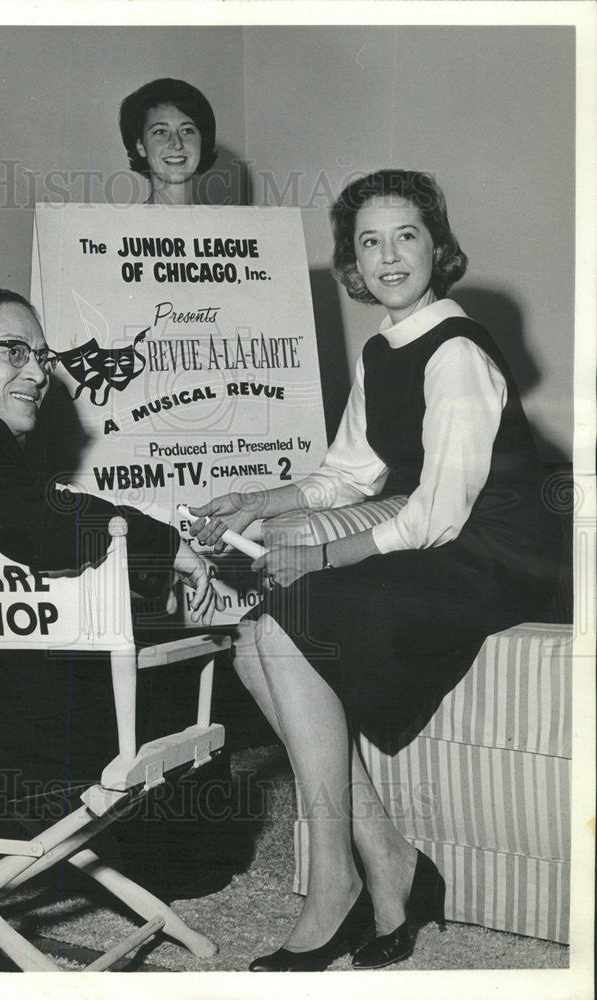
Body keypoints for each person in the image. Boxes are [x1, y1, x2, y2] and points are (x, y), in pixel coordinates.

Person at [189, 170, 561, 971]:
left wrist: (319, 554)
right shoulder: (381, 348)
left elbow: (436, 515)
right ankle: (386, 857)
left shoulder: (456, 350)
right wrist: (257, 499)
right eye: (369, 240)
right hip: (441, 546)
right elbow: (349, 475)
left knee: (297, 616)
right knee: (254, 636)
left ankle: (335, 887)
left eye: (406, 236)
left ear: (438, 245)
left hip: (498, 556)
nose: (389, 256)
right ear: (352, 259)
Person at [0, 285, 221, 849]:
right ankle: (173, 862)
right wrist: (166, 546)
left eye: (43, 358)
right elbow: (48, 526)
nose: (39, 373)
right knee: (180, 685)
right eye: (14, 351)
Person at [119, 77, 217, 205]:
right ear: (141, 146)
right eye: (161, 132)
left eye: (187, 131)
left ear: (201, 141)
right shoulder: (121, 223)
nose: (176, 144)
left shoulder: (226, 223)